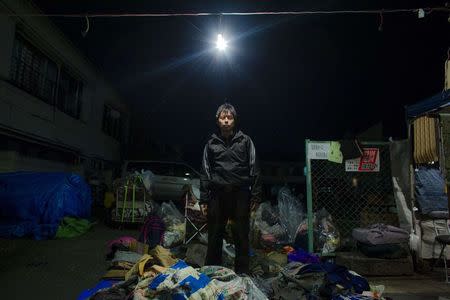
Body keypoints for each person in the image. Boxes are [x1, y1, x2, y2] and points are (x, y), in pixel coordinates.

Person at [200, 103, 262, 274]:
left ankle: (242, 274)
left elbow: (255, 168)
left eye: (230, 117)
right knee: (214, 236)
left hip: (240, 196)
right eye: (223, 117)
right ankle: (213, 272)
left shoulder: (246, 141)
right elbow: (205, 172)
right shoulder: (211, 143)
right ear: (218, 120)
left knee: (241, 236)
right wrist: (204, 199)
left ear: (234, 120)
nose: (226, 120)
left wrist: (255, 196)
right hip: (217, 196)